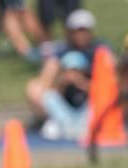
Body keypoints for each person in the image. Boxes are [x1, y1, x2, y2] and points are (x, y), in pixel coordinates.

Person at [26, 9, 100, 140]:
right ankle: (53, 121)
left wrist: (80, 82)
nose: (81, 35)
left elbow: (106, 88)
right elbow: (46, 84)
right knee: (34, 87)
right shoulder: (60, 52)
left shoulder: (99, 52)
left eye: (84, 30)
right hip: (64, 102)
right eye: (77, 30)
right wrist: (62, 82)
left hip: (89, 103)